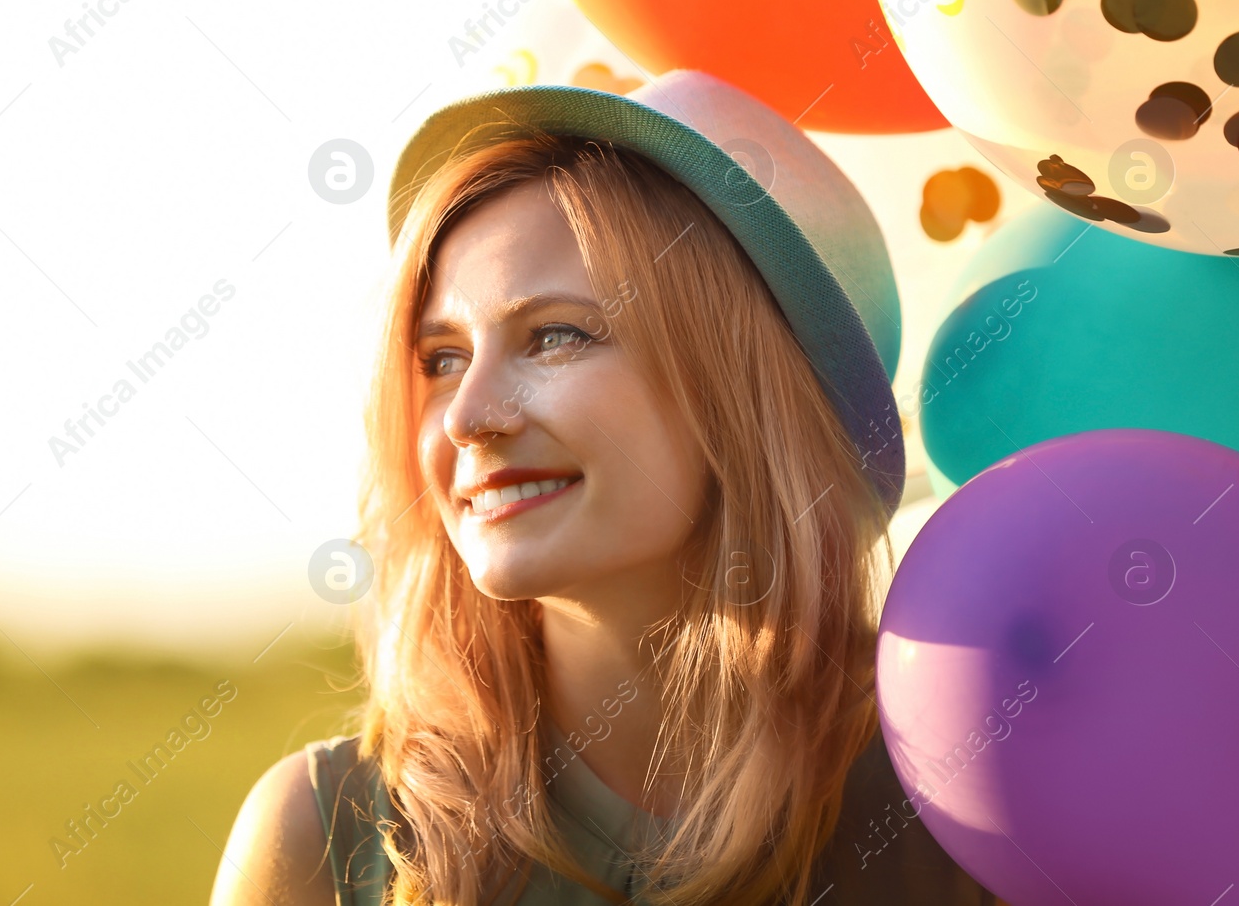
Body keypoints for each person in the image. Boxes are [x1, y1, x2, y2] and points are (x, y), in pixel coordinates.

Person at [209, 70, 1000, 905]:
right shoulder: (330, 836)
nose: (469, 414)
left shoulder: (968, 797)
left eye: (554, 336)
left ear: (744, 388)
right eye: (443, 359)